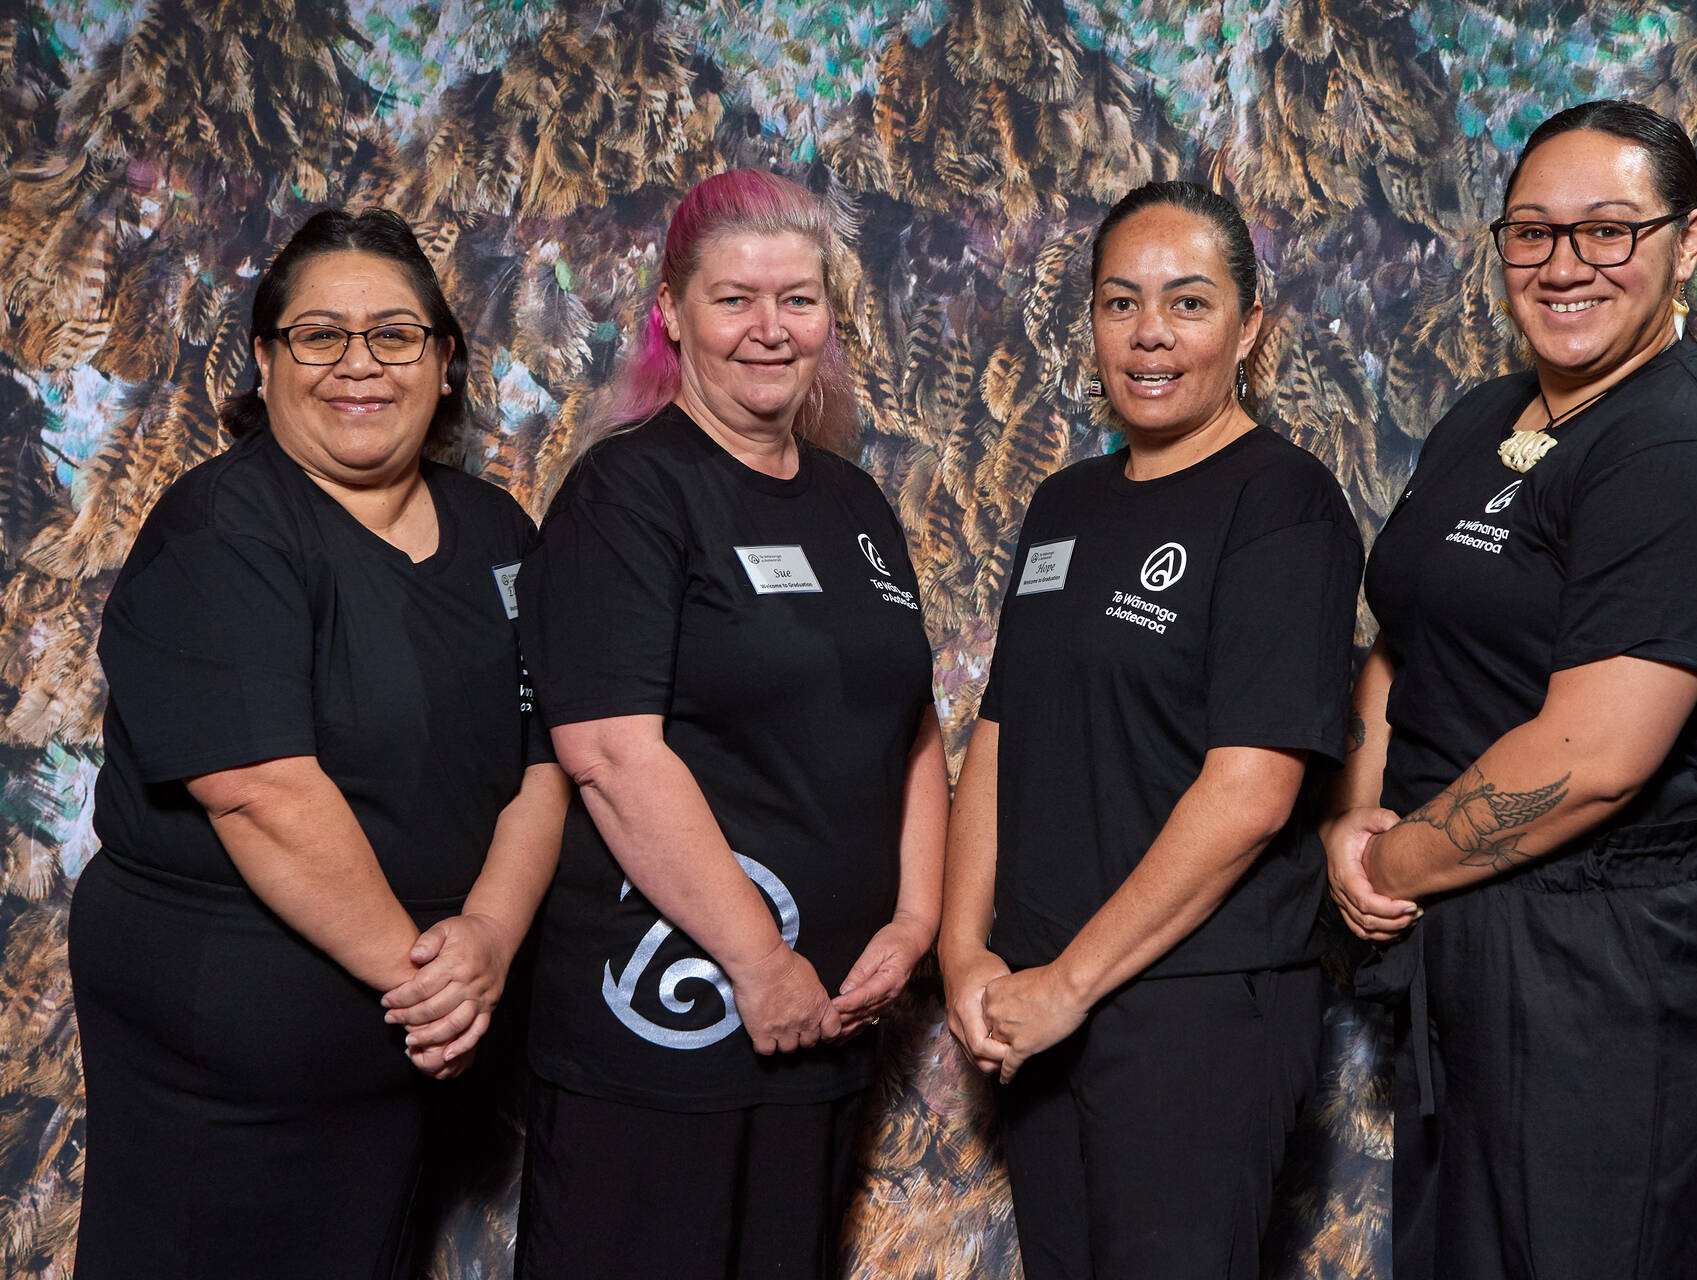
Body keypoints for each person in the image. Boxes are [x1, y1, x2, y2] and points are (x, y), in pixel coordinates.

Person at [1322, 100, 1697, 1278]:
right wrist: (1355, 816)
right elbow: (1405, 638)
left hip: (1604, 968)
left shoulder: (1685, 450)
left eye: (1608, 230)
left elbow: (1595, 760)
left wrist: (1389, 864)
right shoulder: (1484, 418)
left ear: (1688, 243)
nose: (1564, 263)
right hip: (1465, 934)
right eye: (1533, 231)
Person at [67, 209, 570, 1279]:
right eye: (319, 335)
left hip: (410, 1036)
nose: (359, 364)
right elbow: (258, 790)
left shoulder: (500, 534)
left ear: (445, 360)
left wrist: (486, 937)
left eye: (394, 335)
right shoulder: (223, 526)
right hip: (228, 1038)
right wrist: (425, 989)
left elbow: (546, 757)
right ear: (265, 360)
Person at [512, 168, 947, 1280]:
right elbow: (609, 754)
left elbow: (909, 726)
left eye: (798, 299)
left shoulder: (855, 504)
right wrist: (758, 958)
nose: (771, 328)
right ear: (670, 313)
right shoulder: (628, 495)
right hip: (668, 1024)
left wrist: (914, 919)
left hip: (824, 1022)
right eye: (735, 298)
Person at [940, 181, 1364, 1280]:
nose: (1150, 335)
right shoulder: (1065, 503)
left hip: (1191, 1007)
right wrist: (964, 948)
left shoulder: (1284, 504)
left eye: (1188, 302)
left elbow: (1254, 791)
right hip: (1034, 1000)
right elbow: (1001, 730)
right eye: (1121, 302)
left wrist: (1071, 984)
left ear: (1249, 325)